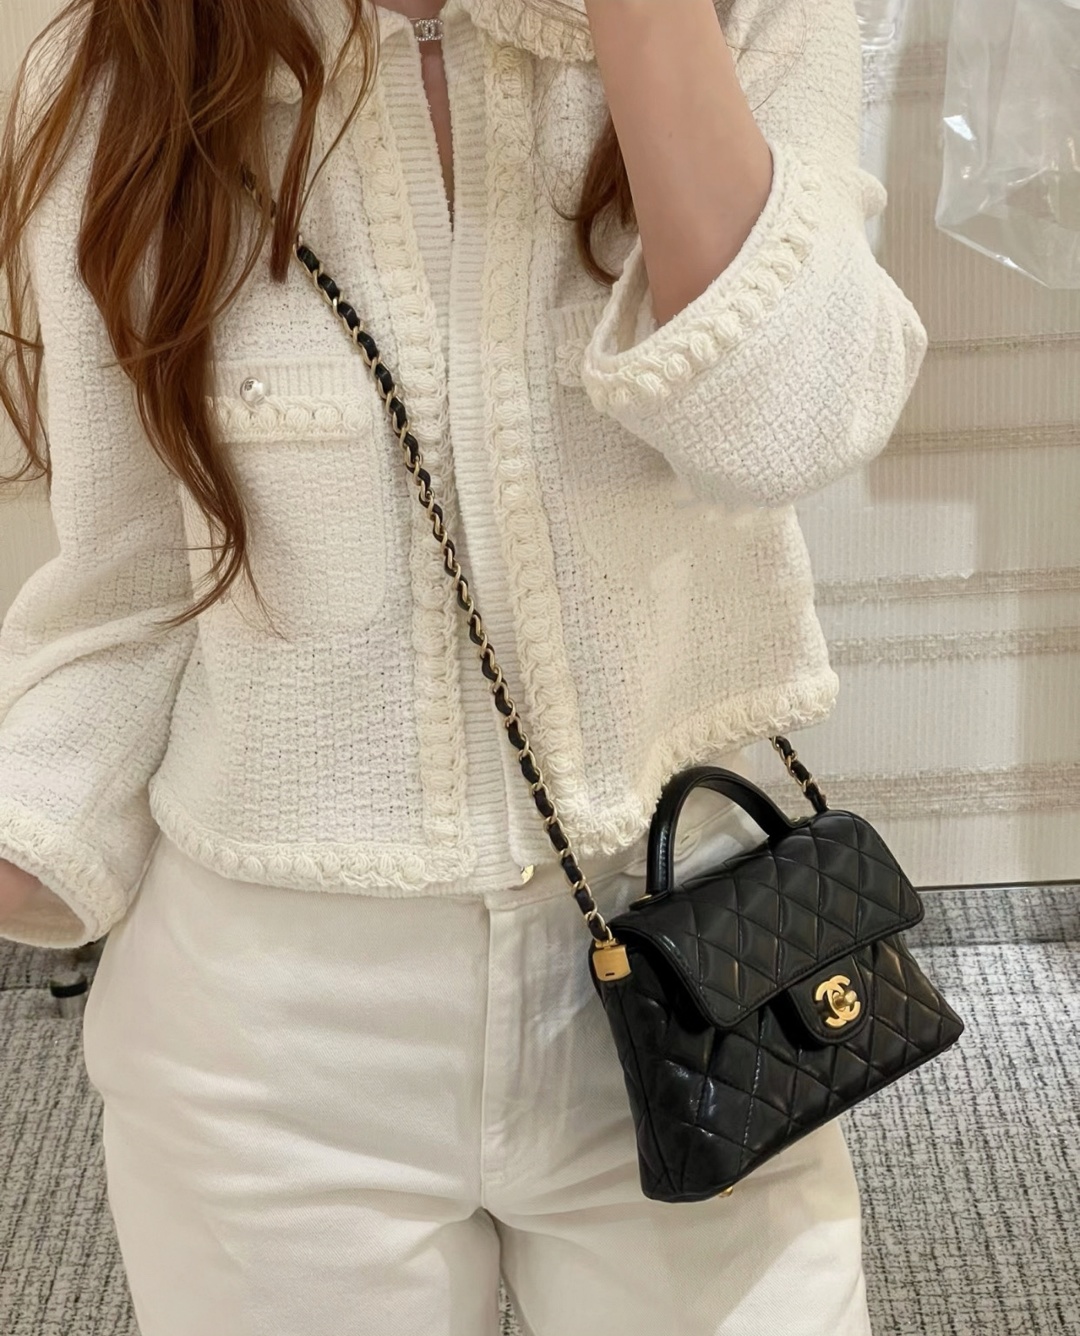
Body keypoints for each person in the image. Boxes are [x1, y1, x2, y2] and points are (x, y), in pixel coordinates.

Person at [0, 0, 927, 1331]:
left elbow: (784, 425)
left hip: (701, 959)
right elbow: (133, 582)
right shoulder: (126, 60)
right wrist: (39, 820)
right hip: (270, 1032)